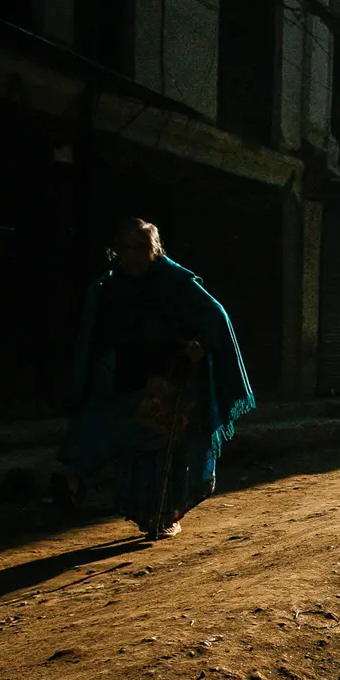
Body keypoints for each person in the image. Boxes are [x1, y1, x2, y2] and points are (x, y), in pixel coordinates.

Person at [57, 219, 254, 539]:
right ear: (116, 251)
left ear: (156, 250)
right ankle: (139, 508)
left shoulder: (177, 281)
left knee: (165, 447)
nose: (133, 256)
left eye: (142, 248)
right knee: (132, 443)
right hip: (127, 376)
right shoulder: (109, 287)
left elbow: (216, 316)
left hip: (169, 374)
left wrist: (200, 346)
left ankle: (160, 514)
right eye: (127, 248)